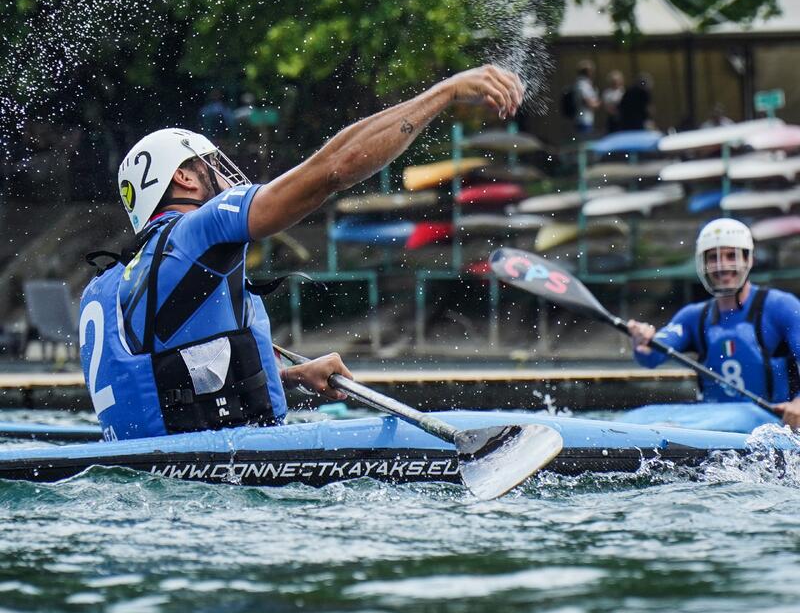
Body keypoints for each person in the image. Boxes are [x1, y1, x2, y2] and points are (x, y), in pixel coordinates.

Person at [79, 65, 524, 441]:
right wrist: (444, 93)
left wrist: (290, 375)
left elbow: (178, 363)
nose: (227, 174)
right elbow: (334, 170)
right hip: (219, 476)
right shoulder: (202, 230)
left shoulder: (119, 278)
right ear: (185, 180)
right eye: (211, 164)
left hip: (162, 473)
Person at [627, 218, 800, 427]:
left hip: (770, 421)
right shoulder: (694, 316)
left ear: (749, 260)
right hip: (713, 417)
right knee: (637, 418)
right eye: (713, 258)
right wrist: (642, 341)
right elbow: (652, 357)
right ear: (703, 264)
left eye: (731, 256)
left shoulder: (781, 306)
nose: (722, 266)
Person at [572, 60, 601, 138]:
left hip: (585, 119)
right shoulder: (582, 84)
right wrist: (597, 104)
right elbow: (587, 102)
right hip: (583, 119)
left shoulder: (583, 83)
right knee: (585, 143)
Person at [601, 69, 625, 134]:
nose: (615, 82)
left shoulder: (623, 92)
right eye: (613, 81)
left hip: (623, 119)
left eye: (617, 80)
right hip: (612, 120)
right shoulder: (607, 93)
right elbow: (606, 106)